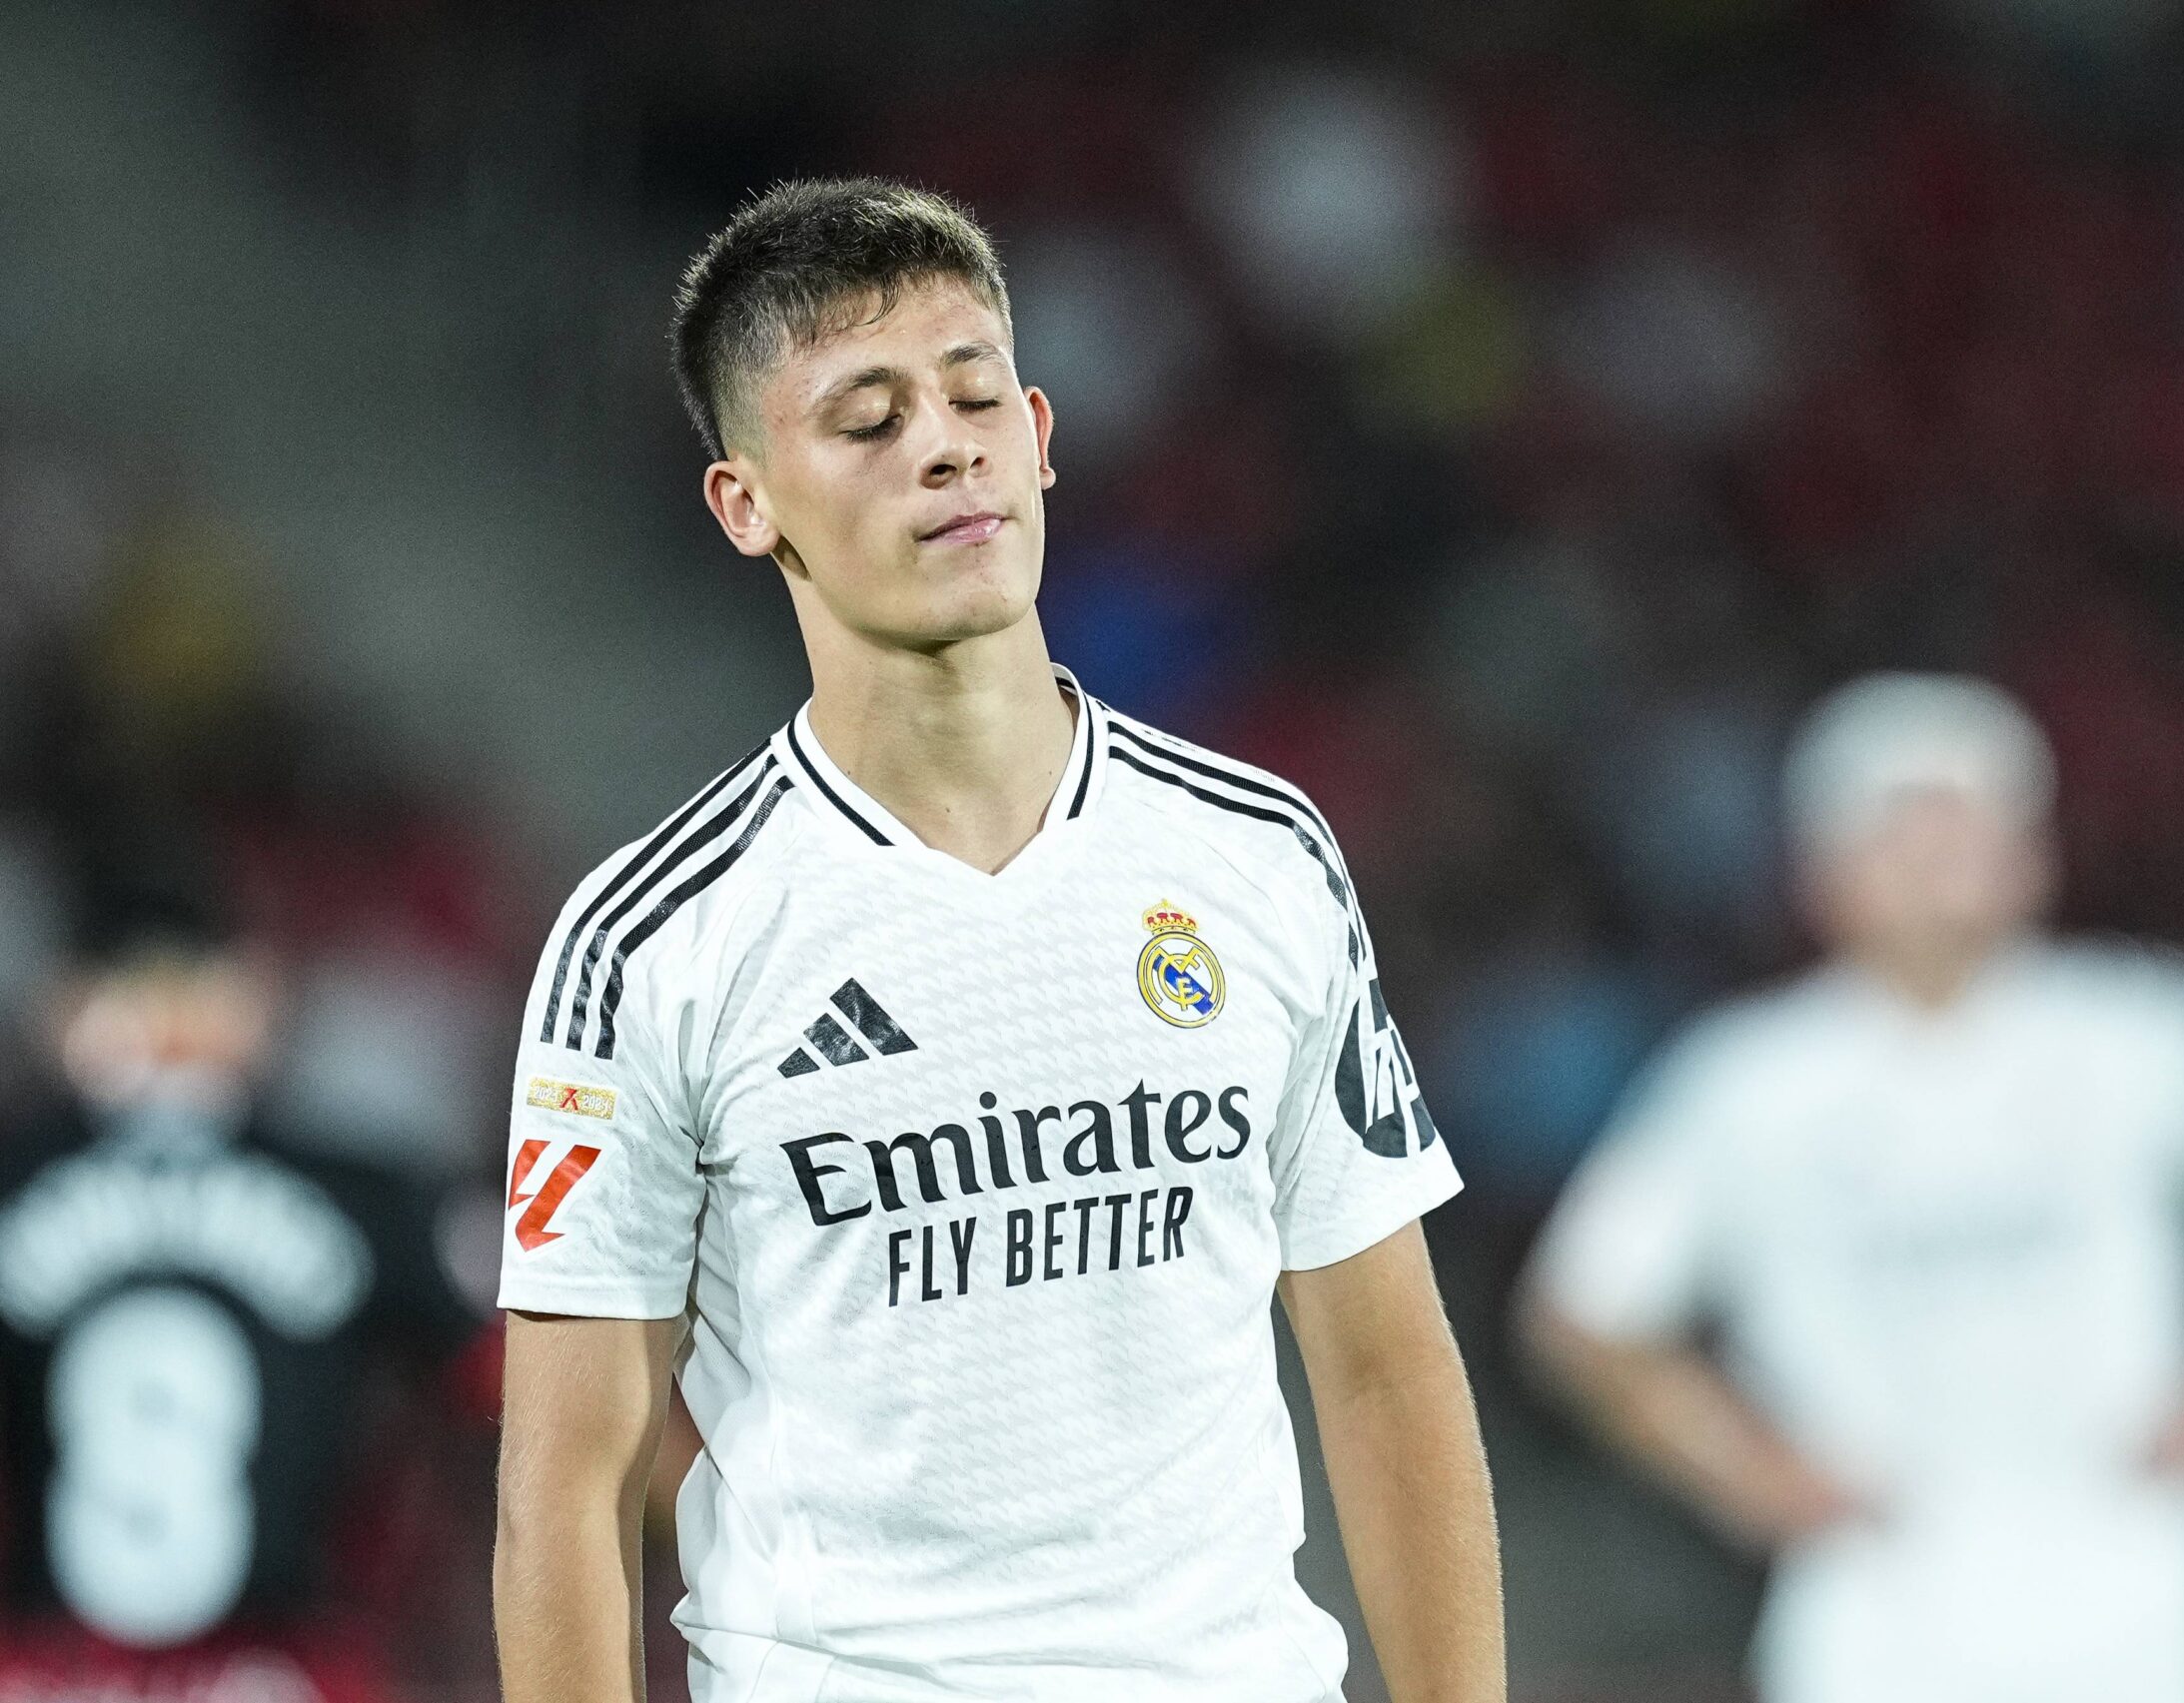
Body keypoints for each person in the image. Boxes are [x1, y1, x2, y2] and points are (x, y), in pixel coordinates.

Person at [491, 179, 1503, 1703]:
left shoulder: (1258, 855)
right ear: (747, 501)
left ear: (1038, 433)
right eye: (866, 418)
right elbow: (565, 1489)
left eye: (973, 395)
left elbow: (1383, 1363)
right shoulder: (657, 938)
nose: (945, 445)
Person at [1516, 673, 2184, 1703]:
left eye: (1966, 822)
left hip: (2134, 1581)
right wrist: (1742, 1469)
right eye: (1899, 827)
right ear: (1823, 870)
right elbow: (1579, 1312)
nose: (1936, 856)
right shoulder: (1747, 1084)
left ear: (2031, 854)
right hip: (1880, 1597)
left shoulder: (2145, 1030)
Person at [0, 861, 489, 1703]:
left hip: (42, 1670)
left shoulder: (19, 1175)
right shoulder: (360, 1189)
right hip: (288, 1670)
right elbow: (538, 1393)